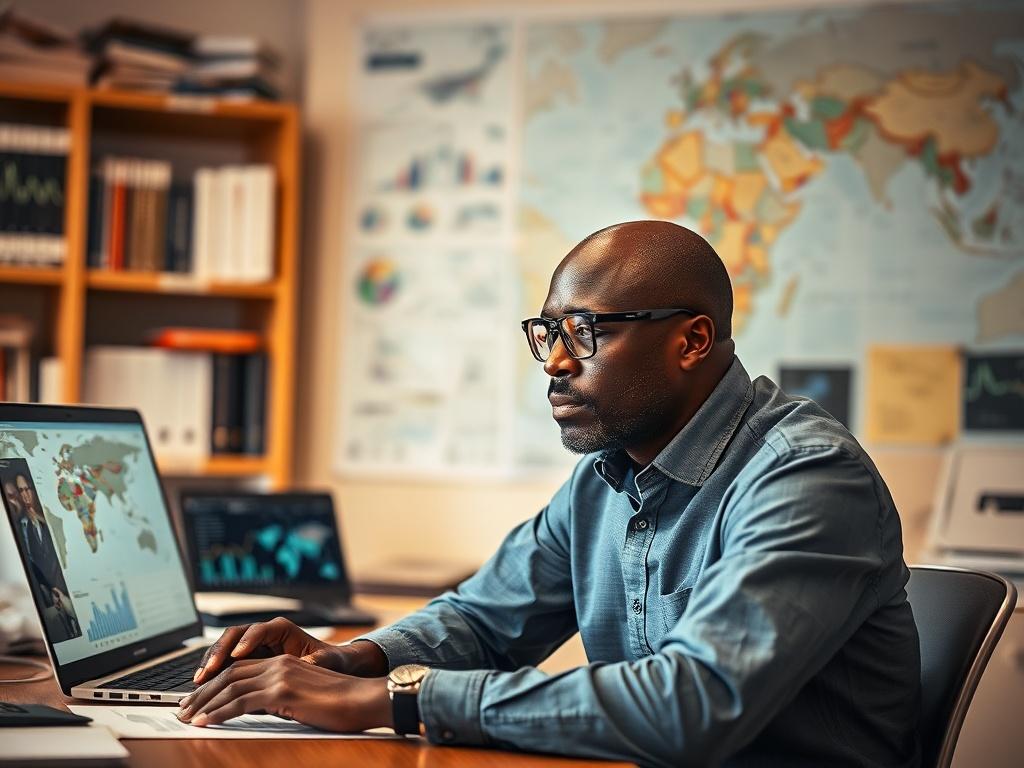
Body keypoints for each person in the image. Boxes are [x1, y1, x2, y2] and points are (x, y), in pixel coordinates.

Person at [179, 221, 921, 766]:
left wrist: (398, 699)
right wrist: (355, 661)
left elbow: (693, 703)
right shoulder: (606, 475)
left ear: (692, 341)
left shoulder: (807, 479)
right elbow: (485, 621)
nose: (556, 363)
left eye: (586, 332)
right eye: (548, 333)